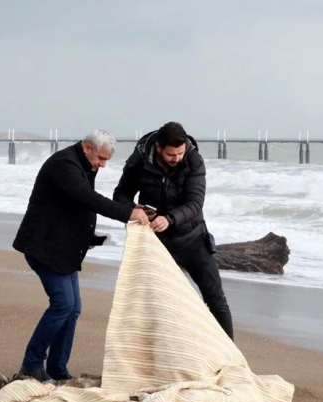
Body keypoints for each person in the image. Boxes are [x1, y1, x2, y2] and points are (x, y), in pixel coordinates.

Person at [13, 129, 149, 382]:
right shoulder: (64, 165)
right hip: (44, 246)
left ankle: (57, 368)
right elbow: (88, 199)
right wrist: (127, 213)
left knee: (73, 308)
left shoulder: (85, 165)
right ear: (87, 147)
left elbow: (73, 207)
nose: (103, 165)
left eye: (106, 160)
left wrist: (88, 237)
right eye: (101, 158)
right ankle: (32, 364)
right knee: (63, 305)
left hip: (64, 246)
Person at [113, 122, 234, 340]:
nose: (177, 158)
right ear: (158, 147)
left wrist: (170, 219)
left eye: (180, 152)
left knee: (216, 299)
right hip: (155, 242)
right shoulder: (139, 160)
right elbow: (120, 195)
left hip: (193, 237)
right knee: (157, 304)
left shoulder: (194, 160)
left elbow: (196, 204)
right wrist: (134, 208)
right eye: (171, 154)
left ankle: (231, 358)